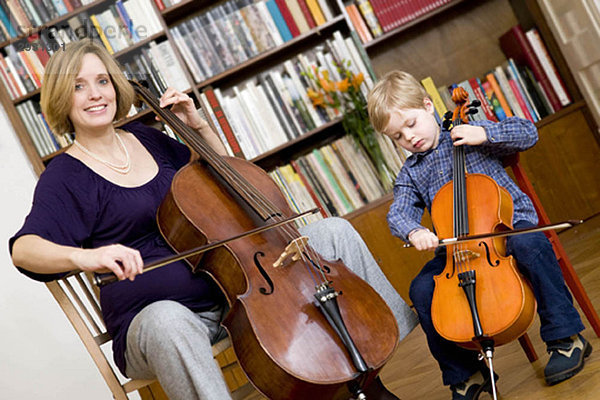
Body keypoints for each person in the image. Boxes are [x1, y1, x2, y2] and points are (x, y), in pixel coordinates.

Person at [9, 40, 417, 400]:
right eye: (79, 86)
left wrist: (197, 126)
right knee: (170, 321)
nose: (95, 94)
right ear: (62, 100)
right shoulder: (65, 176)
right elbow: (24, 251)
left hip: (236, 291)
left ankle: (385, 352)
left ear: (116, 86)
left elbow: (224, 180)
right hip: (156, 320)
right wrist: (87, 258)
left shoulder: (149, 138)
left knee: (333, 232)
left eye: (102, 81)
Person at [367, 70, 592, 399]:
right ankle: (466, 373)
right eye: (398, 136)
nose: (409, 138)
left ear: (428, 106)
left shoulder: (469, 132)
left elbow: (527, 132)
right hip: (456, 251)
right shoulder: (411, 173)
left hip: (510, 227)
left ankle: (565, 338)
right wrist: (414, 231)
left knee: (530, 243)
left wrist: (484, 134)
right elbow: (397, 213)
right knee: (422, 289)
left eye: (411, 124)